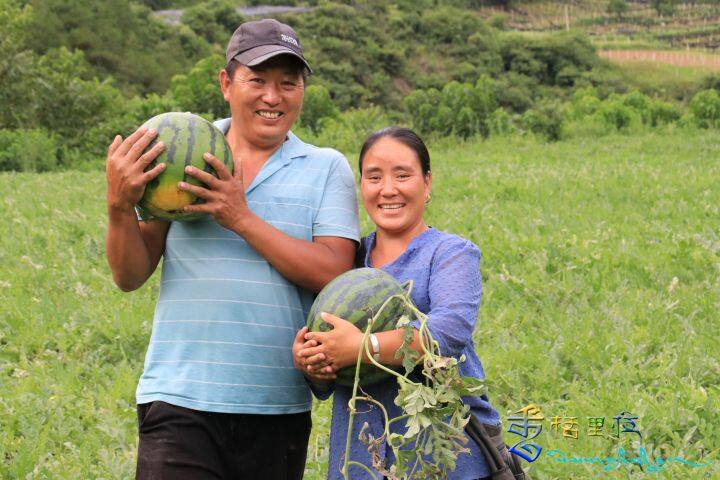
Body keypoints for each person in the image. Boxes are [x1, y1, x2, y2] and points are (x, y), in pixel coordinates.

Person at [105, 19, 359, 480]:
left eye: (288, 83)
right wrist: (119, 206)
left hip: (276, 406)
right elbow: (129, 275)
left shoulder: (326, 168)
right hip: (180, 399)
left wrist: (239, 217)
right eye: (257, 80)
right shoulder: (182, 153)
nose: (272, 97)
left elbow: (334, 273)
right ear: (226, 83)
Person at [293, 127, 502, 479]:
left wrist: (363, 347)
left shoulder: (451, 253)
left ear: (427, 182)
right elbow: (327, 371)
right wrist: (312, 361)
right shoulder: (346, 260)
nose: (388, 189)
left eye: (402, 175)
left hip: (444, 461)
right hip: (361, 457)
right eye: (374, 177)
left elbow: (448, 333)